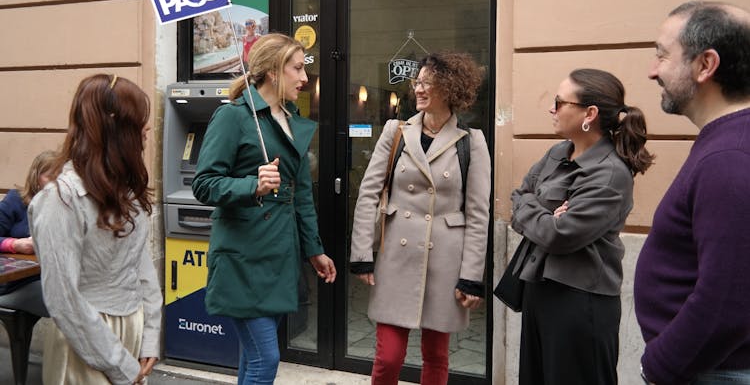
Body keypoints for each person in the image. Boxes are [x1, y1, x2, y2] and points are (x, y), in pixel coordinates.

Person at [192, 33, 336, 385]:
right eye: (297, 68)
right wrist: (251, 185)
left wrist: (314, 249)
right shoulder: (233, 117)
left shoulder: (289, 118)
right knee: (265, 359)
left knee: (254, 356)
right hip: (243, 258)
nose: (305, 78)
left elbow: (301, 194)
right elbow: (204, 184)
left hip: (279, 257)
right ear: (273, 71)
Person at [350, 52, 492, 385]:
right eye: (418, 81)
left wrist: (471, 277)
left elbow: (477, 214)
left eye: (428, 82)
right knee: (388, 357)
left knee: (436, 356)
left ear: (450, 88)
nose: (419, 88)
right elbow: (368, 194)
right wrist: (362, 255)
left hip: (445, 261)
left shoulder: (471, 142)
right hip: (396, 258)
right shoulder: (396, 131)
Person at [511, 68, 654, 385]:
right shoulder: (557, 152)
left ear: (589, 114)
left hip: (579, 302)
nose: (551, 109)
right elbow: (518, 197)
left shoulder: (610, 173)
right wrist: (545, 213)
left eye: (560, 102)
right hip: (538, 292)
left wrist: (538, 213)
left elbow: (559, 235)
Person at [635, 1, 750, 384]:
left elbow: (729, 299)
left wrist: (660, 366)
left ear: (705, 65)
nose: (653, 71)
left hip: (714, 373)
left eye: (662, 55)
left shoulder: (731, 157)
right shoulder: (729, 142)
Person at [28, 74, 162, 385]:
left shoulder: (127, 192)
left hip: (130, 331)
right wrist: (120, 365)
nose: (146, 129)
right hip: (86, 343)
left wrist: (151, 335)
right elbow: (64, 299)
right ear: (114, 131)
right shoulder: (61, 200)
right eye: (137, 122)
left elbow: (140, 266)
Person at [0, 149, 57, 317]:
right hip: (15, 284)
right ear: (36, 177)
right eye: (51, 177)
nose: (56, 184)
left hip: (48, 278)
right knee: (66, 305)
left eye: (61, 178)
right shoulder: (16, 200)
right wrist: (14, 244)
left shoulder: (65, 208)